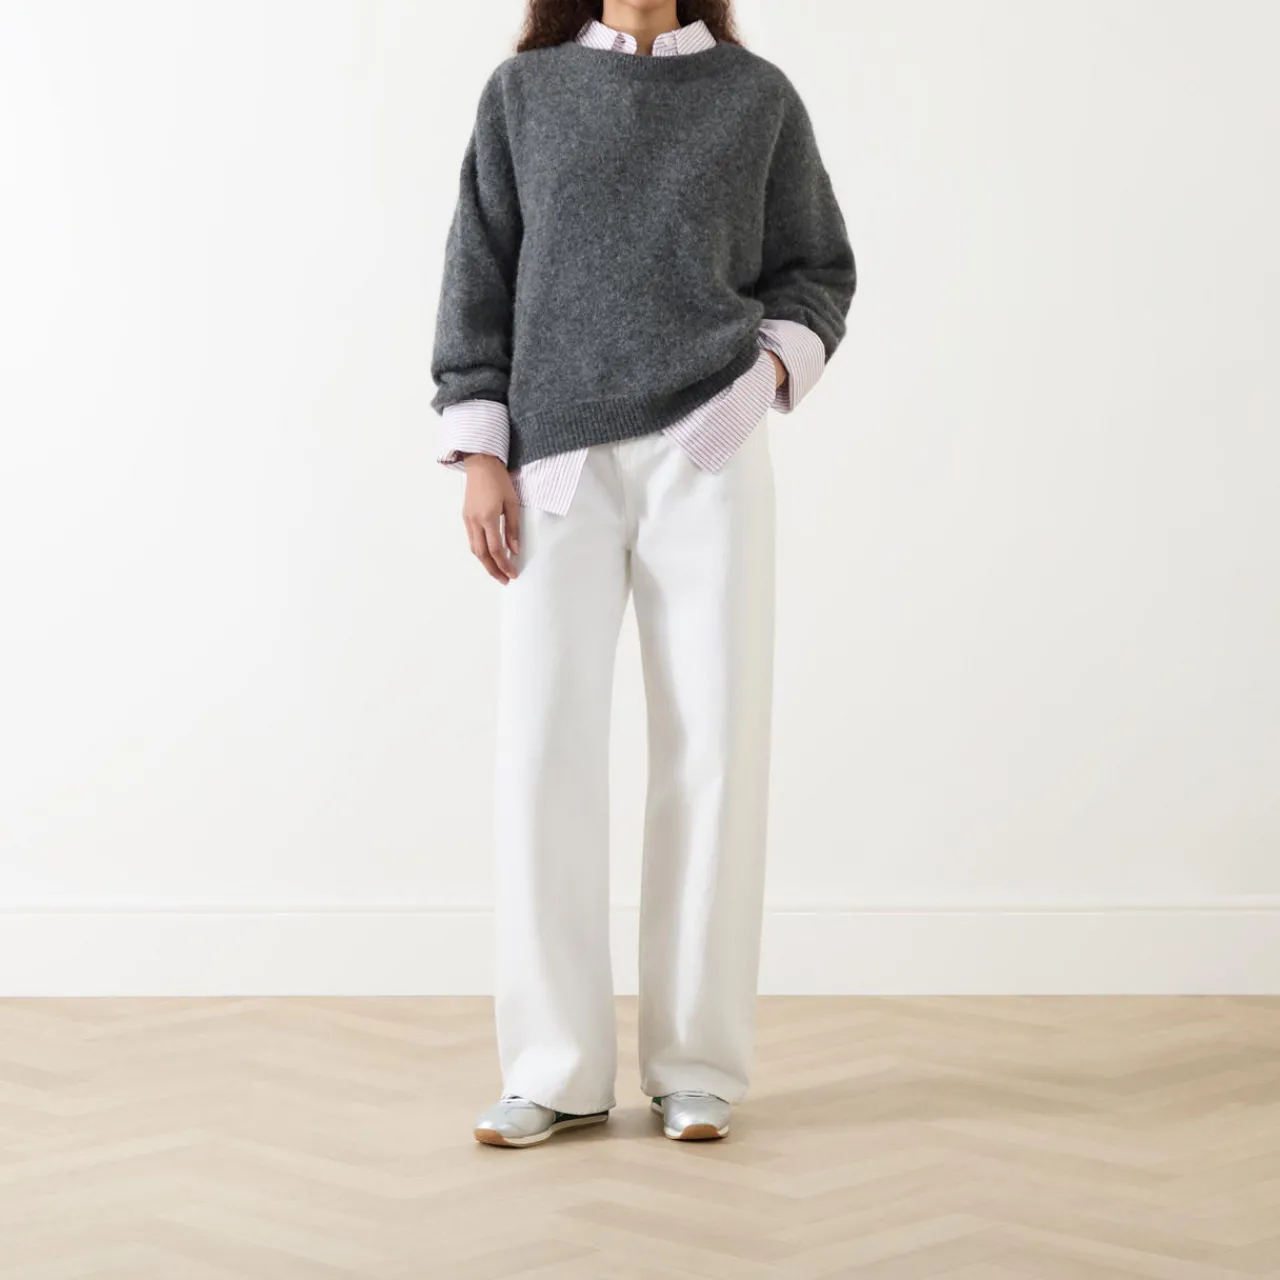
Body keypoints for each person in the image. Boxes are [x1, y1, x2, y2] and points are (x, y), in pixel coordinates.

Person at [431, 0, 855, 1147]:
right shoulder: (524, 94)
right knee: (543, 751)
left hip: (705, 456)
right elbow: (477, 274)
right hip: (552, 460)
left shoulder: (752, 96)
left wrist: (754, 387)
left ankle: (696, 1065)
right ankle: (554, 1068)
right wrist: (478, 450)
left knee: (714, 750)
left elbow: (816, 267)